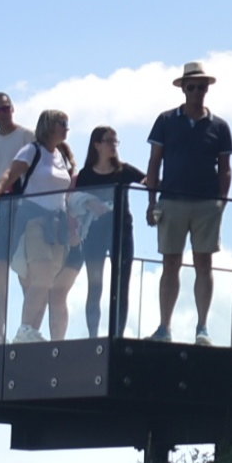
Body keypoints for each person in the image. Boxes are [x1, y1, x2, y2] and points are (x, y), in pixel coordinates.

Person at [143, 62, 232, 345]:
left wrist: (221, 203)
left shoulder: (219, 126)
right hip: (171, 201)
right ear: (183, 88)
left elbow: (225, 168)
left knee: (204, 263)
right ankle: (164, 327)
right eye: (192, 87)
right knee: (170, 262)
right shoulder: (166, 120)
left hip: (206, 203)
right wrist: (151, 201)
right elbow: (154, 162)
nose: (197, 92)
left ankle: (202, 327)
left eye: (201, 87)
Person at [0, 110, 81, 343]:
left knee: (49, 281)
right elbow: (9, 174)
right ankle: (25, 330)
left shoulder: (61, 155)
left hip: (57, 225)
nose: (66, 127)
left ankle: (30, 331)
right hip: (34, 220)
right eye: (62, 123)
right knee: (42, 276)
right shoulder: (32, 150)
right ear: (49, 125)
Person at [75, 125, 145, 339]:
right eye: (108, 141)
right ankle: (93, 336)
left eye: (115, 141)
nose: (113, 145)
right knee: (95, 284)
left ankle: (118, 335)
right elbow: (74, 201)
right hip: (95, 232)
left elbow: (150, 182)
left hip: (121, 231)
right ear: (97, 145)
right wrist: (90, 203)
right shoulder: (86, 174)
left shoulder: (124, 171)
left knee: (121, 285)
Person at [0, 92, 34, 345]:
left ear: (13, 108)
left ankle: (27, 329)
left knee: (24, 271)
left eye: (5, 108)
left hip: (20, 206)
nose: (2, 114)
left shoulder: (27, 135)